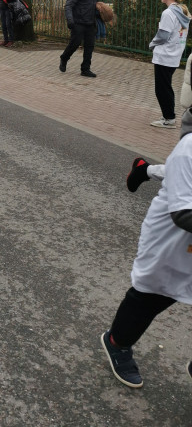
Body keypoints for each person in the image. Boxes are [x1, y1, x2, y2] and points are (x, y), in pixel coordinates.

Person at [101, 105, 192, 389]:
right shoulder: (189, 149)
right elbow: (184, 213)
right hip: (173, 234)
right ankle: (117, 342)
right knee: (154, 293)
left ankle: (144, 170)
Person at [149, 0, 190, 128]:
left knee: (162, 89)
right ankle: (168, 115)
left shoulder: (168, 13)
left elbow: (163, 36)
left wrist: (152, 44)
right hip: (174, 55)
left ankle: (169, 118)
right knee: (166, 87)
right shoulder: (183, 12)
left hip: (164, 56)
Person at [59, 0, 99, 77]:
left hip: (91, 23)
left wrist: (101, 11)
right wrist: (70, 20)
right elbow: (68, 5)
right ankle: (64, 57)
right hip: (78, 23)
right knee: (75, 44)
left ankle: (85, 69)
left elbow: (96, 4)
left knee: (89, 47)